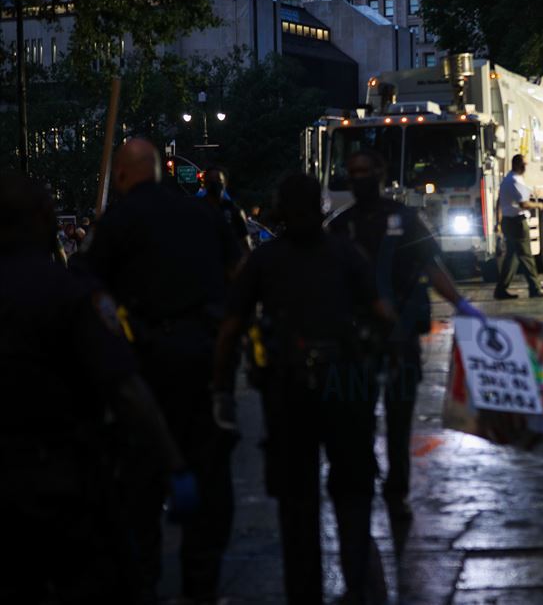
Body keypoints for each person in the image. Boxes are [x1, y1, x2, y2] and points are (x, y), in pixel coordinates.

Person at [0, 171, 197, 604]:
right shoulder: (70, 295)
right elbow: (125, 389)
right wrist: (173, 462)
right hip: (61, 483)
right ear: (43, 220)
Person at [213, 172, 396, 604]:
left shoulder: (265, 260)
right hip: (342, 387)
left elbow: (230, 328)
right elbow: (381, 314)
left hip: (288, 392)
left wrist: (220, 388)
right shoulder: (345, 252)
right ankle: (357, 587)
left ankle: (305, 592)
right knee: (352, 496)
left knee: (297, 505)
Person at [80, 138, 241, 605]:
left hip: (149, 363)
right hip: (205, 360)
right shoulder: (204, 214)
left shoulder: (119, 221)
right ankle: (201, 584)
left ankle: (145, 579)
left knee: (140, 481)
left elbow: (89, 288)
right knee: (209, 479)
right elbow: (239, 273)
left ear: (124, 175)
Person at [327, 149, 485, 523]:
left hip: (400, 338)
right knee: (358, 419)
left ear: (379, 174)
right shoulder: (341, 225)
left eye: (365, 171)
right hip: (357, 339)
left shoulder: (405, 219)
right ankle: (366, 482)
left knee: (399, 421)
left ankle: (396, 491)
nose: (359, 178)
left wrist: (461, 305)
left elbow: (432, 266)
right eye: (353, 172)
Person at [494, 154, 543, 298]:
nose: (526, 167)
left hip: (509, 221)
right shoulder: (515, 181)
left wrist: (498, 221)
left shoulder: (507, 179)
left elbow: (499, 202)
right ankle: (535, 288)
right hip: (517, 222)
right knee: (526, 256)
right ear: (518, 165)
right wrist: (539, 205)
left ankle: (501, 289)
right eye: (524, 164)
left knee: (512, 258)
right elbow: (523, 204)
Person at [201, 167, 252, 256]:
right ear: (204, 184)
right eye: (211, 180)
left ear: (225, 184)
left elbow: (246, 244)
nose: (214, 184)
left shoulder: (234, 211)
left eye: (218, 180)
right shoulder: (196, 209)